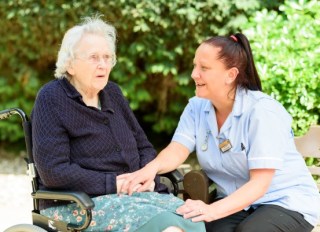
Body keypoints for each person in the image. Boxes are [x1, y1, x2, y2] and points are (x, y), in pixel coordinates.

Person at [118, 33, 320, 232]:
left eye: (204, 68)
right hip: (235, 201)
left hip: (285, 201)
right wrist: (150, 169)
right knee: (200, 227)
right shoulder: (196, 107)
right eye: (195, 66)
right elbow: (178, 149)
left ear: (230, 75)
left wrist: (211, 210)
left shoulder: (262, 112)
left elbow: (260, 184)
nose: (194, 74)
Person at [31, 15, 205, 232]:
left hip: (136, 196)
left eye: (107, 57)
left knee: (194, 218)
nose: (103, 64)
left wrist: (146, 176)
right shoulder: (52, 98)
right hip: (80, 204)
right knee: (168, 228)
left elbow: (143, 146)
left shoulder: (112, 92)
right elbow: (53, 171)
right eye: (94, 57)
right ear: (70, 64)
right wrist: (114, 183)